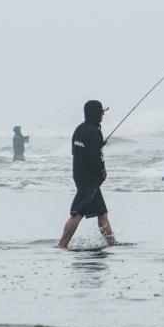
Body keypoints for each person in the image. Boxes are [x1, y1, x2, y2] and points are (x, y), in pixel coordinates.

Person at [58, 100, 115, 248]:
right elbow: (95, 157)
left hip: (79, 175)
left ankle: (112, 243)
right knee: (77, 212)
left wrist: (96, 146)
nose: (103, 114)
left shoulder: (79, 129)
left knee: (102, 213)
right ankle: (62, 244)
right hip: (89, 179)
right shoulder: (95, 132)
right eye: (102, 112)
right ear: (96, 113)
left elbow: (76, 152)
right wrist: (102, 170)